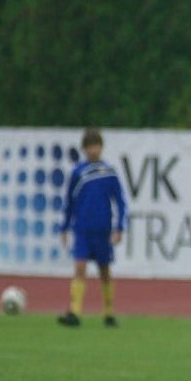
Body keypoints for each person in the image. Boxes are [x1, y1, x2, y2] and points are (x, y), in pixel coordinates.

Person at [58, 128, 128, 328]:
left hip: (102, 229)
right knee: (80, 267)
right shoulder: (78, 173)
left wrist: (119, 227)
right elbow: (70, 202)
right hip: (82, 229)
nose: (93, 150)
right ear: (84, 149)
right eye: (89, 147)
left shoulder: (109, 172)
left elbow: (120, 201)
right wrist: (64, 227)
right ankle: (75, 312)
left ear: (101, 147)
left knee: (104, 270)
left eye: (96, 146)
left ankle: (109, 312)